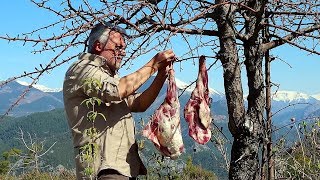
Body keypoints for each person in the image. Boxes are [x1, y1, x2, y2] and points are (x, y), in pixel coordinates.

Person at [63, 21, 176, 180]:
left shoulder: (110, 77)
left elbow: (138, 104)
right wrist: (153, 64)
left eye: (123, 48)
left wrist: (161, 75)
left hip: (122, 168)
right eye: (118, 47)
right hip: (103, 170)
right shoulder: (82, 69)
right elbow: (117, 90)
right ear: (98, 46)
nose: (122, 53)